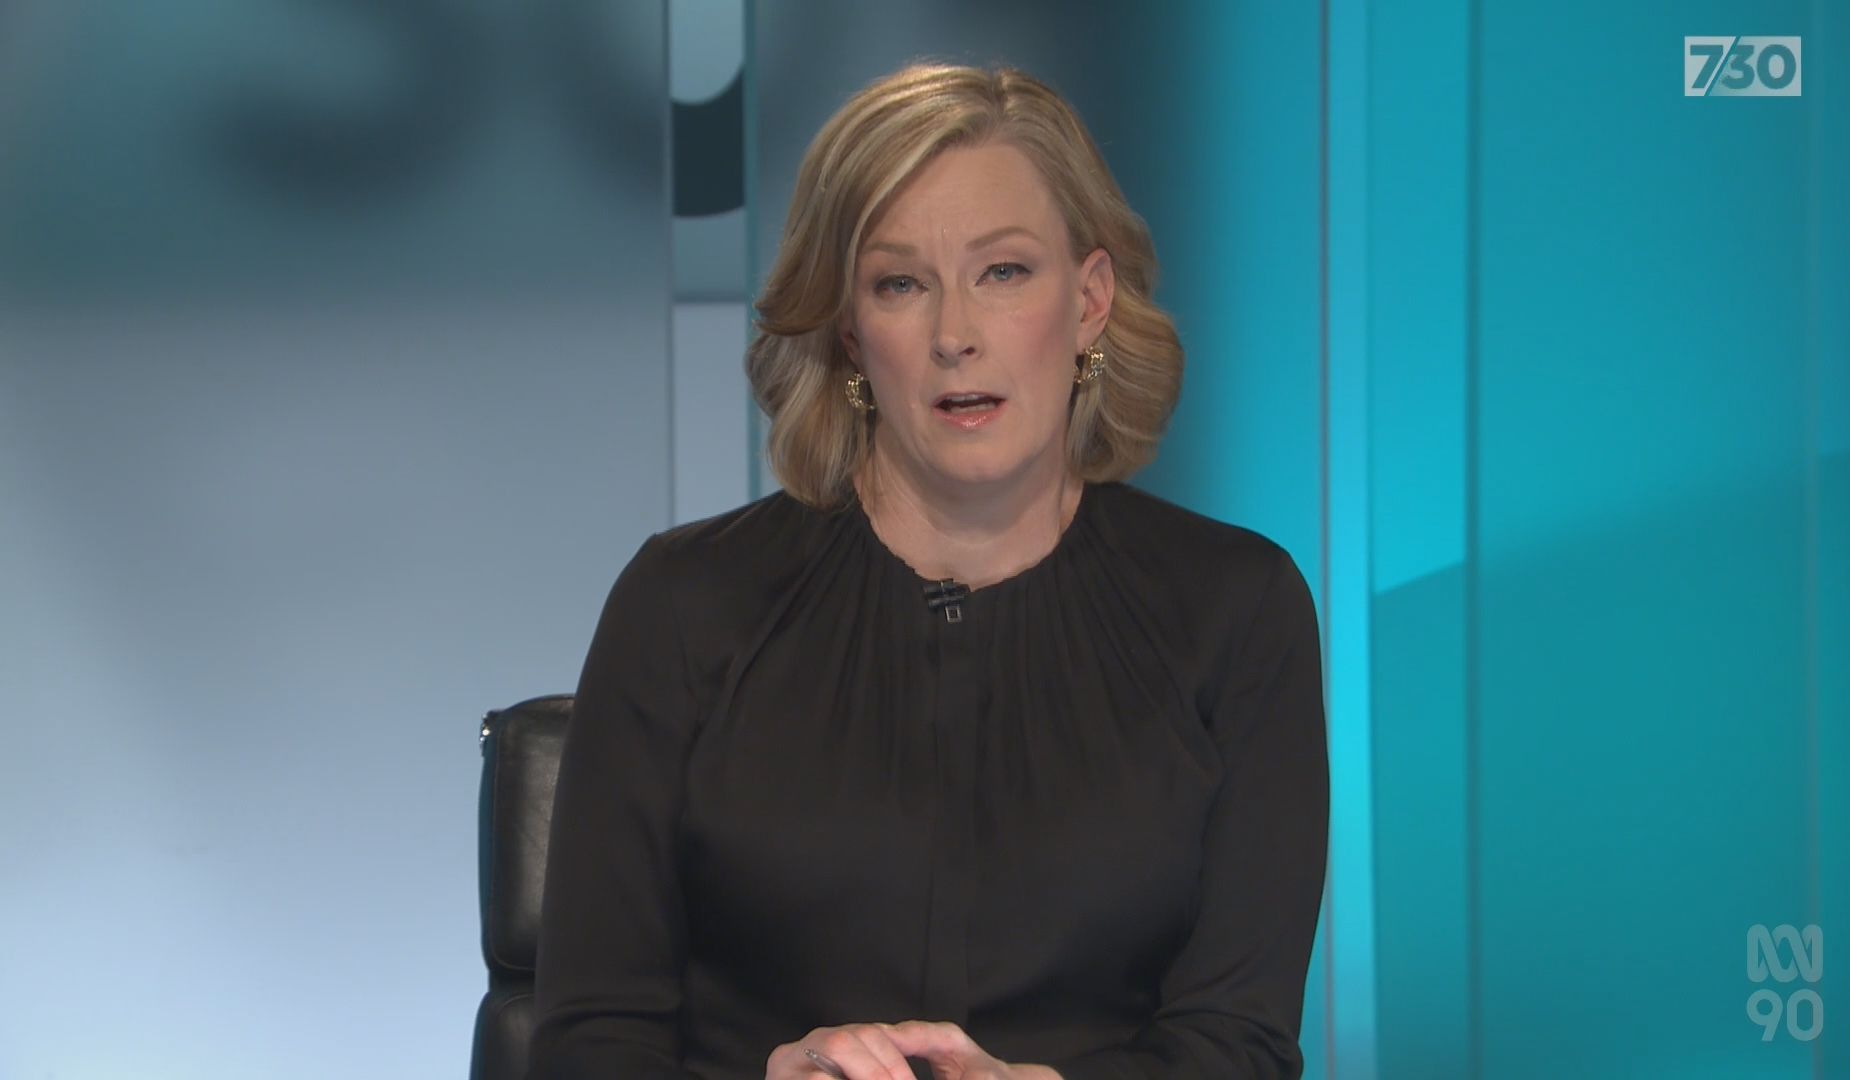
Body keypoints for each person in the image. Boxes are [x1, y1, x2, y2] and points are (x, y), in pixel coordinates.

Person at [527, 62, 1328, 1080]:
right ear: (851, 333)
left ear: (1089, 301)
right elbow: (587, 1048)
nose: (956, 336)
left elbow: (1240, 1046)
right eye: (900, 284)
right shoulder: (686, 605)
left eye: (1005, 272)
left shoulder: (1236, 610)